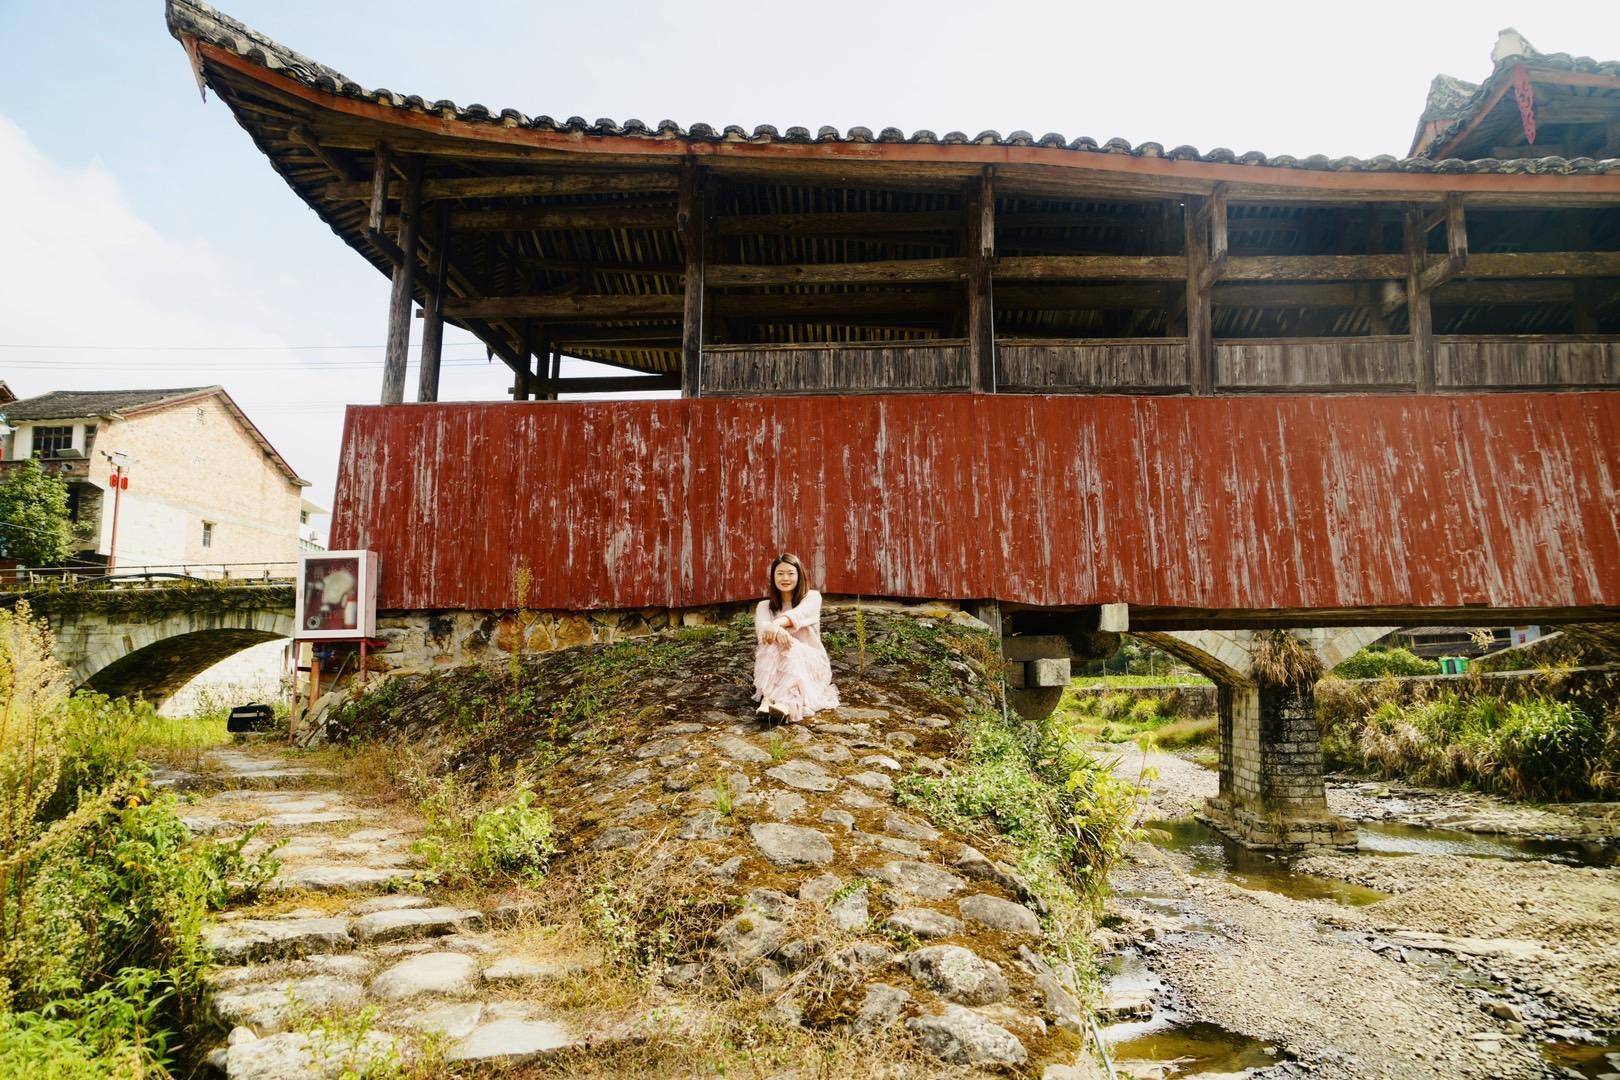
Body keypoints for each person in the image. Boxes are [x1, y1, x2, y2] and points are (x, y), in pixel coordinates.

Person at [752, 553, 840, 723]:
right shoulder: (764, 606)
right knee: (771, 644)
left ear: (799, 575)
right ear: (773, 578)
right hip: (777, 666)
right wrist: (776, 631)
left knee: (791, 646)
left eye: (790, 573)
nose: (785, 578)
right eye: (780, 573)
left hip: (810, 664)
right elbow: (762, 632)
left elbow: (798, 615)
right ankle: (772, 700)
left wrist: (776, 625)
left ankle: (785, 704)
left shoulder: (813, 597)